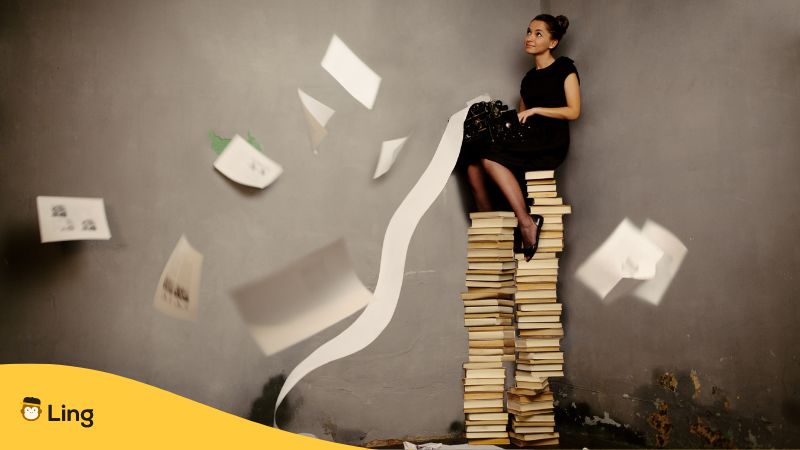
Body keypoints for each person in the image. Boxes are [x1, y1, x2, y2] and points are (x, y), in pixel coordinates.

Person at [464, 14, 581, 261]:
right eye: (529, 32)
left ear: (552, 42)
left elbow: (574, 111)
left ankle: (527, 223)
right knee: (472, 161)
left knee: (488, 158)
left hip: (551, 140)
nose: (530, 37)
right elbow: (520, 117)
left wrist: (538, 110)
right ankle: (493, 234)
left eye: (538, 34)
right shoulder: (528, 79)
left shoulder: (565, 68)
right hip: (529, 137)